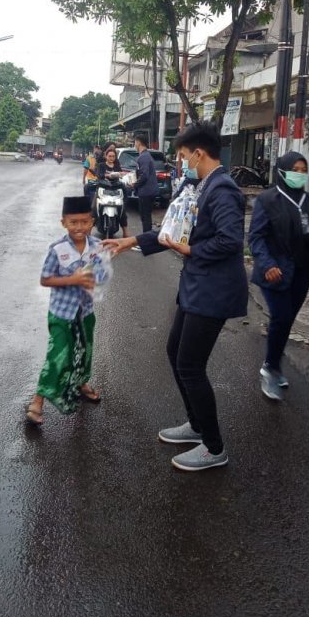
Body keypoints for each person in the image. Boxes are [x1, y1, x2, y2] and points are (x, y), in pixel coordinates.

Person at [103, 122, 248, 472]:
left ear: (198, 153)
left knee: (189, 365)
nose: (180, 163)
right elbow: (172, 233)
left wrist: (192, 248)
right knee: (174, 351)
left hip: (212, 291)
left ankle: (213, 447)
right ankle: (196, 425)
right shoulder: (200, 185)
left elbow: (230, 241)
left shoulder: (223, 189)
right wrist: (132, 240)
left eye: (183, 156)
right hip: (196, 286)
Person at [249, 151, 309, 402]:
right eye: (295, 169)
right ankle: (270, 368)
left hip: (302, 273)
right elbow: (256, 237)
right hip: (275, 273)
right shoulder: (267, 199)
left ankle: (274, 361)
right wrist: (268, 263)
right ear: (282, 170)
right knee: (281, 317)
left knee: (287, 321)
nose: (300, 174)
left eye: (304, 169)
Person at [26, 196, 101, 425]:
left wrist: (95, 280)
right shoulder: (57, 250)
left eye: (84, 222)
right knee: (57, 356)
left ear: (92, 222)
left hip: (85, 311)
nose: (79, 227)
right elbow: (45, 280)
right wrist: (74, 279)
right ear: (64, 223)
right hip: (62, 313)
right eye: (73, 222)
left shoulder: (96, 246)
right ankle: (37, 402)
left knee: (85, 350)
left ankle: (82, 383)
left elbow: (100, 273)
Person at [96, 146, 129, 237]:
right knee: (94, 208)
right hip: (103, 189)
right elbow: (100, 175)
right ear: (106, 156)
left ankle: (125, 233)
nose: (111, 158)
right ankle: (87, 233)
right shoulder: (101, 165)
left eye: (113, 156)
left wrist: (122, 175)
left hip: (115, 190)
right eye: (109, 156)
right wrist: (109, 175)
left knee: (122, 210)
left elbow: (121, 175)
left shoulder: (117, 166)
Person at [133, 133, 158, 235]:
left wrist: (135, 184)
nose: (134, 144)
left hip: (146, 192)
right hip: (149, 191)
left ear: (138, 142)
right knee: (146, 217)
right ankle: (147, 239)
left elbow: (144, 175)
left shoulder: (143, 157)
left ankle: (146, 241)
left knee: (145, 217)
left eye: (135, 142)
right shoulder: (146, 156)